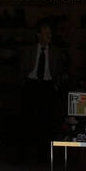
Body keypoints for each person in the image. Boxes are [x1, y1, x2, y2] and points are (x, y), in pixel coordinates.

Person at [20, 20, 67, 163]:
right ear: (38, 35)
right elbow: (21, 69)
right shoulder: (28, 51)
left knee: (47, 122)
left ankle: (44, 156)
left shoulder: (56, 52)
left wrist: (56, 85)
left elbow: (61, 70)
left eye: (50, 33)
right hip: (31, 86)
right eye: (46, 33)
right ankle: (28, 155)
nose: (49, 36)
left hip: (48, 88)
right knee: (29, 120)